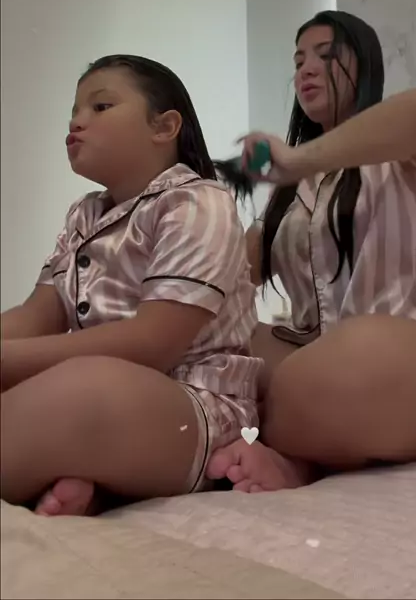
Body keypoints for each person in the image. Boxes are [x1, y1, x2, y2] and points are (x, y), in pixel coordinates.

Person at [207, 10, 416, 493]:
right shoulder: (288, 197)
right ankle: (261, 444)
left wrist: (298, 158)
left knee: (351, 354)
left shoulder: (411, 152)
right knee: (223, 345)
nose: (306, 69)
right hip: (323, 361)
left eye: (327, 55)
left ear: (365, 63)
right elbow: (225, 286)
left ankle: (296, 451)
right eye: (298, 61)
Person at [1, 55, 261, 515]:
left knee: (80, 390)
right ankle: (100, 480)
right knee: (66, 389)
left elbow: (153, 342)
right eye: (73, 112)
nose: (76, 121)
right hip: (122, 398)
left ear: (164, 127)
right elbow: (36, 316)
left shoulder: (197, 202)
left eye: (100, 107)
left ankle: (88, 468)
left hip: (200, 408)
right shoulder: (83, 214)